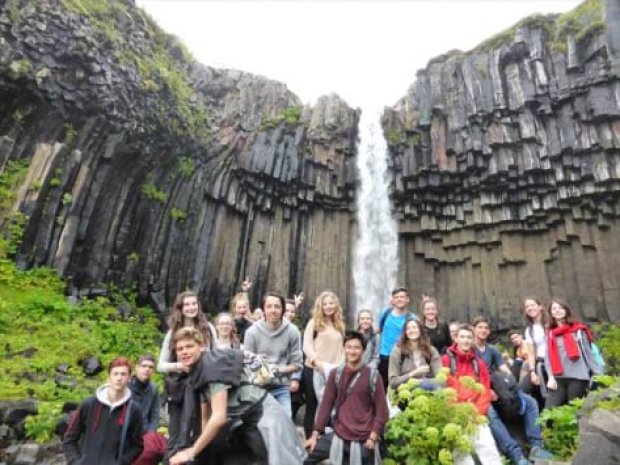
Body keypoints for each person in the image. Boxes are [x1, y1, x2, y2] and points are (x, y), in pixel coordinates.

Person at [167, 327, 305, 465]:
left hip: (265, 416)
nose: (184, 352)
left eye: (189, 346)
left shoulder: (211, 366)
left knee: (276, 460)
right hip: (245, 420)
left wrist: (191, 452)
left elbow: (219, 417)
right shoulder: (197, 372)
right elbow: (206, 418)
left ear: (201, 347)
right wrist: (200, 449)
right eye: (180, 349)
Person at [472, 317, 551, 465]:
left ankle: (537, 447)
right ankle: (516, 454)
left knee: (530, 402)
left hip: (498, 386)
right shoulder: (470, 350)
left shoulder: (492, 350)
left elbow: (505, 371)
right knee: (490, 413)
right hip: (480, 390)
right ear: (474, 329)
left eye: (486, 328)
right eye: (480, 327)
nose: (483, 330)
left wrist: (512, 388)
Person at [305, 331, 389, 465]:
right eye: (349, 347)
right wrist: (315, 434)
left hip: (364, 439)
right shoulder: (335, 374)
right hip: (339, 434)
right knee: (305, 458)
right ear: (343, 349)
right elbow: (325, 406)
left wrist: (373, 437)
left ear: (363, 350)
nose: (352, 351)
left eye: (356, 348)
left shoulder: (373, 376)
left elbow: (382, 412)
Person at [157, 291, 216, 455]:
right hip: (179, 389)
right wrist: (179, 366)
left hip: (203, 387)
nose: (191, 307)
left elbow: (216, 355)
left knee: (200, 432)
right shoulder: (172, 332)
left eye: (194, 303)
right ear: (180, 308)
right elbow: (160, 365)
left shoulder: (208, 328)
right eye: (187, 304)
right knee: (175, 432)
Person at [64, 357, 143, 465]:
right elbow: (69, 439)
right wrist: (76, 462)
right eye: (115, 374)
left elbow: (137, 446)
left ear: (129, 378)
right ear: (109, 377)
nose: (119, 378)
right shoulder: (89, 404)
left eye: (123, 374)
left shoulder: (133, 410)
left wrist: (120, 462)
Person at [441, 325, 502, 465]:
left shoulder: (478, 363)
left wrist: (476, 412)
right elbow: (443, 388)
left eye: (469, 337)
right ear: (455, 338)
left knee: (488, 449)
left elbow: (485, 390)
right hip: (455, 414)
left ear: (473, 340)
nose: (465, 340)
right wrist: (456, 411)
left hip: (476, 414)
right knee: (461, 454)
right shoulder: (446, 360)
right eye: (462, 337)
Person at [243, 292, 303, 417]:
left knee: (285, 422)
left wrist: (275, 370)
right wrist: (263, 371)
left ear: (283, 310)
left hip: (280, 387)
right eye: (269, 306)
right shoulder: (252, 332)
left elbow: (297, 364)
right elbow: (246, 363)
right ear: (263, 309)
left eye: (277, 306)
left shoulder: (292, 331)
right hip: (257, 388)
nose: (273, 310)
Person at [302, 291, 346, 438]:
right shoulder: (314, 322)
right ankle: (310, 439)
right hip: (314, 368)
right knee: (313, 405)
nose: (328, 306)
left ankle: (328, 439)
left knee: (330, 404)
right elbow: (307, 346)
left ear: (336, 305)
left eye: (331, 303)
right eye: (325, 303)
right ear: (320, 306)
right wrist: (317, 362)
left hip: (334, 370)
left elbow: (343, 347)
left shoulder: (339, 324)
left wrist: (343, 364)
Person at [545, 298, 603, 408]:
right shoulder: (550, 334)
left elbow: (588, 353)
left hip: (578, 377)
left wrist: (597, 373)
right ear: (551, 313)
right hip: (558, 378)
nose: (557, 310)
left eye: (560, 308)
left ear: (566, 310)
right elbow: (547, 358)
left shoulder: (579, 330)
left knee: (574, 409)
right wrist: (550, 377)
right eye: (554, 308)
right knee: (549, 411)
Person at [130, 355, 167, 465]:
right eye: (144, 366)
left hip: (145, 434)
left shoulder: (153, 388)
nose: (147, 369)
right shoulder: (126, 386)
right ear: (137, 367)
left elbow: (155, 413)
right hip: (127, 434)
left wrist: (150, 434)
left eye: (150, 367)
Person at [388, 318, 443, 390]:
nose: (411, 330)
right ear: (405, 333)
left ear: (420, 330)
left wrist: (421, 383)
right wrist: (413, 373)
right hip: (404, 394)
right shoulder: (397, 351)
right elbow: (393, 382)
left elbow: (441, 379)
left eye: (414, 327)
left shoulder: (431, 350)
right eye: (408, 328)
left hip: (427, 393)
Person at [378, 287, 416, 388]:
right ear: (393, 300)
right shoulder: (385, 314)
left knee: (403, 387)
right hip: (385, 356)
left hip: (403, 356)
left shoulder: (412, 318)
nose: (399, 299)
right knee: (383, 387)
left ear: (408, 299)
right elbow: (379, 329)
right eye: (396, 297)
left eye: (402, 297)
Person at [522, 297, 548, 405]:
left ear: (540, 307)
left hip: (555, 363)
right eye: (527, 306)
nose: (530, 308)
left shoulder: (550, 323)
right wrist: (532, 372)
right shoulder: (529, 330)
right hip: (540, 363)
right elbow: (531, 353)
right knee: (522, 389)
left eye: (532, 305)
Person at [231, 278, 254, 343]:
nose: (242, 310)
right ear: (235, 308)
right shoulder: (230, 323)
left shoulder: (251, 324)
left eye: (244, 307)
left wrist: (245, 292)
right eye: (239, 308)